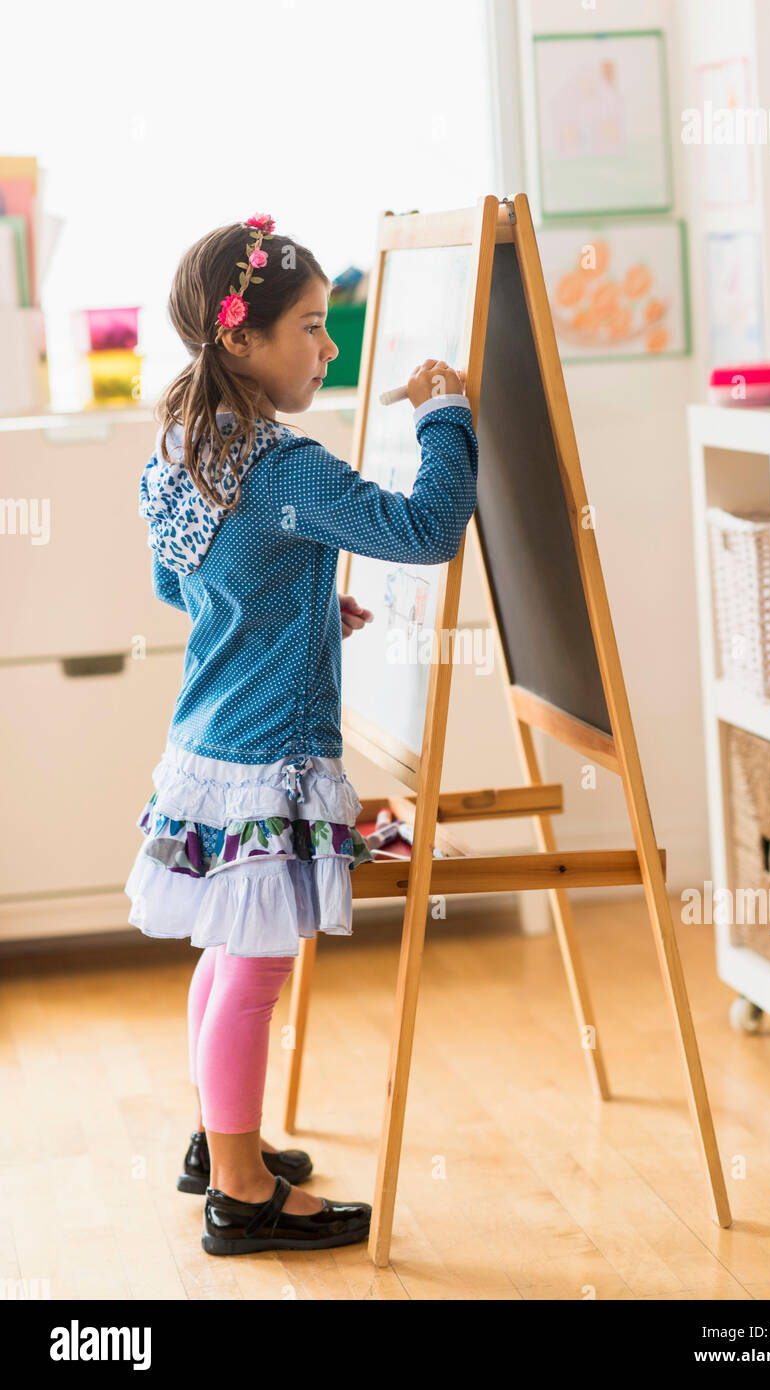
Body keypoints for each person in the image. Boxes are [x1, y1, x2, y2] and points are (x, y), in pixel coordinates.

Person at [124, 213, 478, 1255]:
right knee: (258, 966)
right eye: (315, 328)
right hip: (266, 758)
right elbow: (425, 530)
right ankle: (239, 1189)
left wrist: (301, 606)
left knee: (226, 953)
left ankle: (216, 1138)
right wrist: (446, 415)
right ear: (242, 338)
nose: (331, 349)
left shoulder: (188, 444)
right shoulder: (285, 467)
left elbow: (182, 581)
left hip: (207, 745)